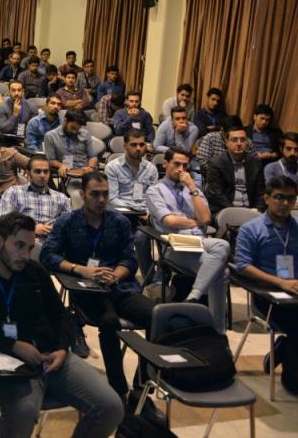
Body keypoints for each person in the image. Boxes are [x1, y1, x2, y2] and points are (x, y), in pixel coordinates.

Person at [0, 211, 124, 437]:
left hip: (51, 356)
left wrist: (62, 348)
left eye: (30, 248)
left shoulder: (34, 271)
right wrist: (13, 346)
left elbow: (60, 315)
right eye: (19, 246)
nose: (25, 255)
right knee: (23, 412)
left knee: (111, 407)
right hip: (5, 361)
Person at [41, 171, 154, 398]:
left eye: (105, 194)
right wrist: (81, 269)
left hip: (119, 287)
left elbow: (130, 260)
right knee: (109, 322)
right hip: (86, 288)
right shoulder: (68, 221)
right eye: (95, 194)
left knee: (157, 316)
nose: (101, 200)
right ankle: (118, 390)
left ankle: (141, 385)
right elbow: (47, 255)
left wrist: (116, 275)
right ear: (82, 194)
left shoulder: (119, 222)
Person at [146, 147, 230, 332]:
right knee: (221, 272)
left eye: (185, 166)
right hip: (174, 246)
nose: (181, 170)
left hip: (200, 242)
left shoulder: (194, 190)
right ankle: (218, 331)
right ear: (165, 164)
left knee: (222, 245)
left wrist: (192, 188)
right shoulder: (155, 191)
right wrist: (195, 222)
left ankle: (194, 296)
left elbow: (206, 219)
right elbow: (169, 221)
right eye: (177, 164)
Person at [234, 175, 298, 394]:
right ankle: (292, 381)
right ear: (267, 198)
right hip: (267, 296)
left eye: (290, 198)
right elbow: (243, 266)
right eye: (279, 197)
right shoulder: (251, 229)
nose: (285, 203)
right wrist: (281, 282)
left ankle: (283, 348)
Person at [0, 155, 71, 235]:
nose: (42, 175)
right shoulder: (13, 193)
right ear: (28, 174)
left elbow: (70, 226)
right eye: (37, 171)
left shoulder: (61, 198)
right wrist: (31, 229)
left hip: (52, 239)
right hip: (22, 238)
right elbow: (3, 224)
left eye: (46, 171)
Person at [204, 120, 266, 214]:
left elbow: (261, 192)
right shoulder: (216, 163)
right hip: (225, 210)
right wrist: (235, 212)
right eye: (234, 140)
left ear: (247, 142)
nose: (239, 143)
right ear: (226, 142)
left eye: (242, 140)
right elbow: (217, 194)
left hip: (251, 210)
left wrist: (258, 210)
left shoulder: (255, 162)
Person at [105, 128, 159, 213]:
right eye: (134, 145)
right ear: (125, 145)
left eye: (141, 145)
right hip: (123, 211)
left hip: (146, 211)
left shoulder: (151, 168)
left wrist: (148, 210)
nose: (138, 148)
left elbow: (153, 197)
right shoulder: (112, 167)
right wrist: (134, 209)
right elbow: (112, 198)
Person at [43, 108, 101, 179]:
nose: (75, 131)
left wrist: (90, 167)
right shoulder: (50, 136)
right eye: (72, 128)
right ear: (65, 121)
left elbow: (93, 156)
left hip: (86, 171)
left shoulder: (85, 133)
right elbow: (51, 160)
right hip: (69, 172)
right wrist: (61, 165)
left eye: (78, 129)